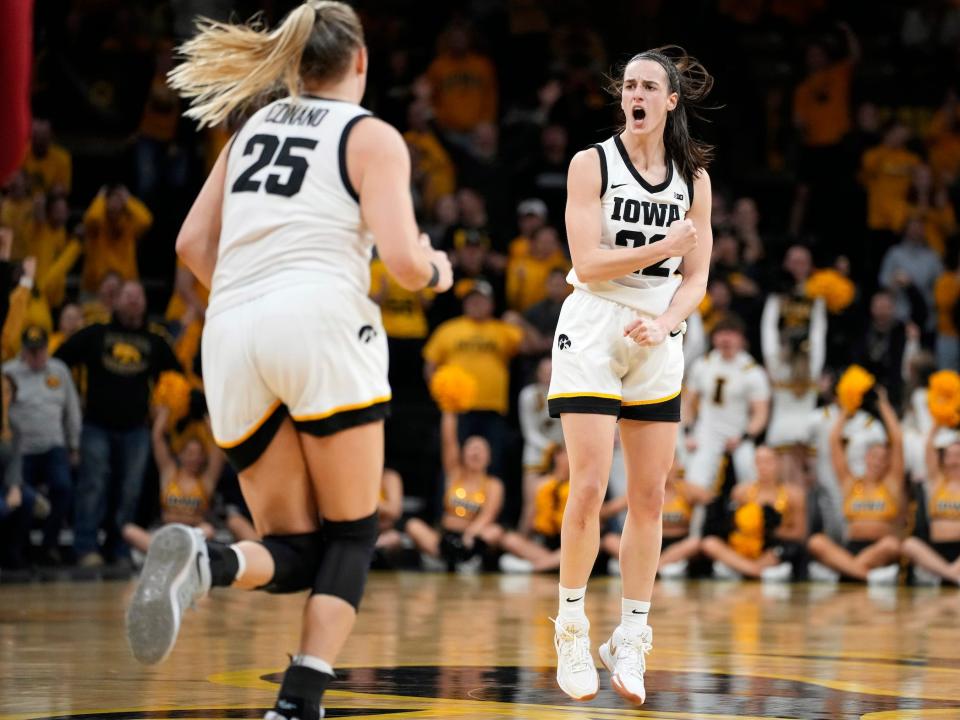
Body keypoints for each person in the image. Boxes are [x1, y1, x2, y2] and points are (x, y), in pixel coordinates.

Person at [125, 8, 453, 720]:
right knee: (355, 533)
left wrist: (256, 299)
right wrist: (436, 268)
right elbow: (401, 264)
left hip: (232, 331)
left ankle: (209, 564)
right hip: (320, 323)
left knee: (296, 548)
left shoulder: (248, 132)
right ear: (360, 61)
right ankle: (299, 700)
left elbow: (188, 246)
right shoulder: (371, 136)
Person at [546, 47, 713, 704]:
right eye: (631, 85)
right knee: (587, 488)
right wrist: (664, 249)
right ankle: (570, 625)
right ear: (622, 99)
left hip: (657, 333)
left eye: (651, 86)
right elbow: (586, 263)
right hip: (593, 324)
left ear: (671, 101)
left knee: (650, 498)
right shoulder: (591, 164)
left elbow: (697, 279)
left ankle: (632, 637)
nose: (638, 94)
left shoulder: (694, 178)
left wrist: (668, 321)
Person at [55, 281, 183, 567]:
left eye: (138, 297)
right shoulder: (96, 332)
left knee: (130, 490)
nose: (134, 301)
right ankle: (85, 548)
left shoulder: (155, 339)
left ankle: (121, 549)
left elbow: (177, 378)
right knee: (93, 485)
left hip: (137, 428)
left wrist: (162, 411)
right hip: (95, 425)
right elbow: (60, 361)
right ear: (116, 301)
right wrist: (72, 399)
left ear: (145, 303)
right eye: (128, 296)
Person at [806, 387, 904, 585]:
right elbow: (833, 442)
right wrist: (846, 408)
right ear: (866, 458)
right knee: (815, 541)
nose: (877, 462)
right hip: (852, 545)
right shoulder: (851, 483)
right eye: (874, 456)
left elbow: (898, 441)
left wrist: (883, 406)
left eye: (882, 458)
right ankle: (865, 575)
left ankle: (843, 571)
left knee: (892, 544)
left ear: (887, 462)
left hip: (878, 548)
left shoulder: (890, 484)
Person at [4, 325, 81, 564]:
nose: (36, 356)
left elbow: (72, 410)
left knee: (63, 489)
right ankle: (21, 549)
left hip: (53, 446)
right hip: (20, 450)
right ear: (23, 350)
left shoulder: (59, 370)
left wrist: (74, 444)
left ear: (47, 348)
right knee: (23, 500)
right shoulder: (8, 372)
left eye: (40, 350)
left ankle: (49, 545)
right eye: (31, 351)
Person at [403, 411, 503, 570]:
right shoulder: (455, 474)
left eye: (480, 449)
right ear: (463, 453)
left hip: (471, 538)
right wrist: (448, 409)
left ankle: (468, 560)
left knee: (495, 531)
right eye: (471, 448)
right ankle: (441, 558)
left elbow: (488, 515)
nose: (475, 452)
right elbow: (448, 440)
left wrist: (468, 537)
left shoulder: (493, 484)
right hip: (445, 537)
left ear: (489, 457)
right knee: (413, 525)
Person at [684, 316, 771, 494]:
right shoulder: (703, 365)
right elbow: (688, 403)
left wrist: (745, 436)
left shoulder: (752, 371)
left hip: (739, 434)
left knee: (752, 480)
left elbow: (761, 413)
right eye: (721, 334)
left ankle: (748, 520)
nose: (726, 339)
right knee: (694, 482)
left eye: (731, 334)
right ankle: (698, 520)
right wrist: (688, 432)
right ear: (714, 338)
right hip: (706, 432)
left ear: (741, 339)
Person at [122, 406, 224, 553]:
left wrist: (208, 421)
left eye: (197, 454)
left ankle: (175, 555)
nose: (193, 458)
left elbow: (218, 449)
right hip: (167, 535)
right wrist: (165, 412)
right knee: (129, 530)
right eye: (189, 453)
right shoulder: (169, 473)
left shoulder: (206, 480)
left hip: (193, 537)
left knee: (207, 530)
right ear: (180, 454)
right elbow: (157, 439)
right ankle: (172, 554)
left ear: (203, 457)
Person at [701, 446, 807, 581]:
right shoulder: (741, 491)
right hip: (744, 545)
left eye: (768, 461)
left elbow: (800, 534)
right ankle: (754, 570)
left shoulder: (794, 495)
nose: (763, 467)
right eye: (759, 461)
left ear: (778, 463)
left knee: (787, 549)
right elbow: (731, 527)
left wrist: (770, 530)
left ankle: (743, 569)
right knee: (709, 543)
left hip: (771, 547)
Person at [901, 423, 960, 585]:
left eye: (958, 455)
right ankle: (952, 575)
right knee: (909, 544)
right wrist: (939, 419)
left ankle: (943, 575)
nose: (954, 459)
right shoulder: (937, 481)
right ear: (944, 458)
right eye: (950, 455)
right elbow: (929, 447)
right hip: (937, 549)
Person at [657, 461, 710, 578]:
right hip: (653, 541)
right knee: (610, 540)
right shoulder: (647, 490)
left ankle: (655, 567)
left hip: (680, 542)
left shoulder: (686, 489)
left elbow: (713, 499)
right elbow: (614, 507)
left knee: (694, 543)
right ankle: (660, 567)